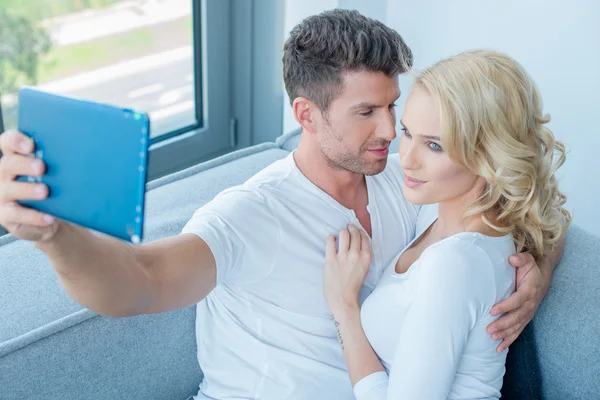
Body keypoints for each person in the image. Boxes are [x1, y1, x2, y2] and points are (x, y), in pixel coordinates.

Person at [0, 10, 563, 400]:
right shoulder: (251, 215)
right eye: (367, 112)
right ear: (306, 116)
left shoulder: (405, 179)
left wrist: (535, 273)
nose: (391, 131)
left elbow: (512, 206)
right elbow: (139, 282)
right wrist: (56, 236)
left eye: (394, 107)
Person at [324, 50, 570, 399]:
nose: (405, 159)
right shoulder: (447, 210)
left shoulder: (453, 262)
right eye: (408, 132)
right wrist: (543, 270)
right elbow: (554, 219)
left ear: (490, 156)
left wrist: (343, 307)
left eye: (435, 145)